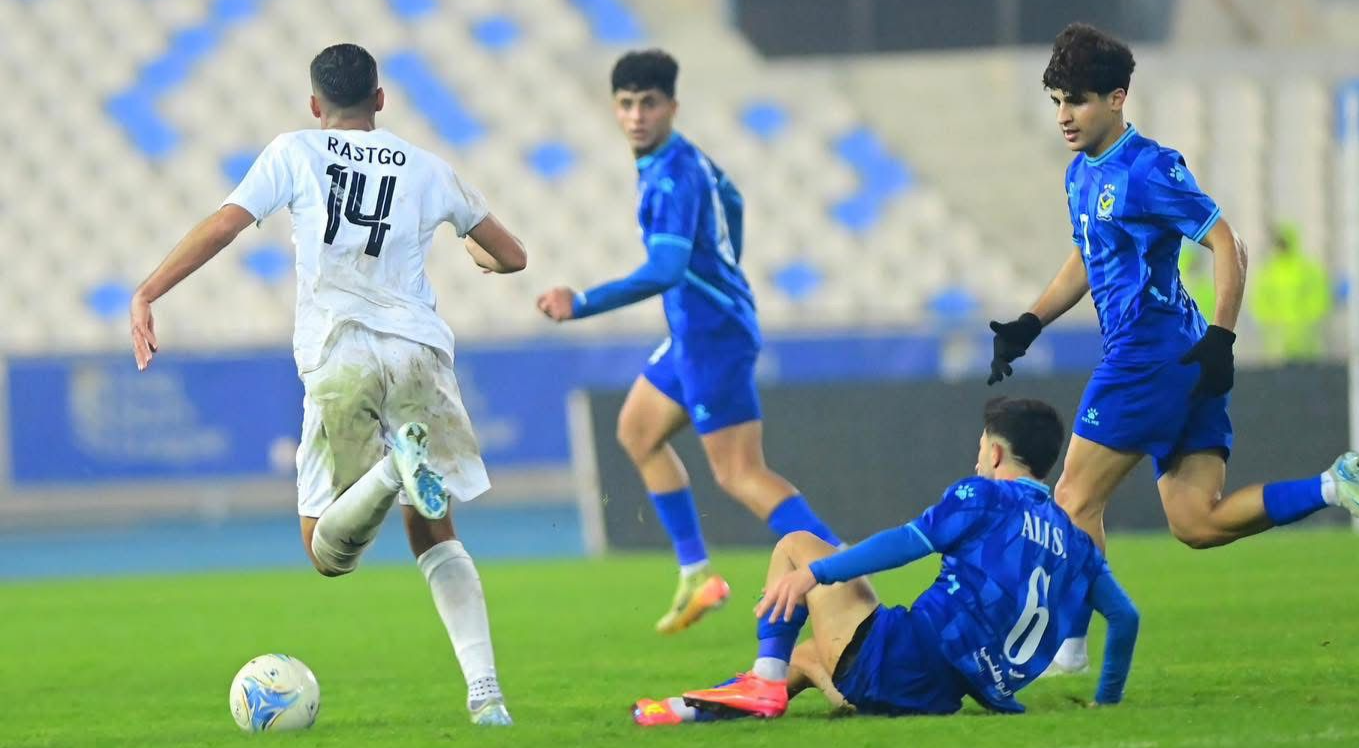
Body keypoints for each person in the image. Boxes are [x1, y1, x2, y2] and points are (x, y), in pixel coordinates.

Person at [986, 23, 1359, 674]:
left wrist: (1223, 335)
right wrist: (1030, 322)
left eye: (1080, 100)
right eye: (1058, 102)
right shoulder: (1080, 174)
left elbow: (1227, 243)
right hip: (1174, 357)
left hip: (1148, 354)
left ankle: (1068, 648)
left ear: (1119, 98)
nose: (1065, 116)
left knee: (1073, 500)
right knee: (1197, 522)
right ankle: (1334, 485)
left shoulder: (1149, 168)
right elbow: (1087, 255)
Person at [127, 43, 527, 726]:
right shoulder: (427, 167)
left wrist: (148, 290)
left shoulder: (295, 150)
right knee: (435, 531)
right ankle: (487, 697)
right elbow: (513, 255)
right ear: (380, 99)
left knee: (325, 553)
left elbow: (226, 225)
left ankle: (393, 472)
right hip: (418, 352)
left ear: (316, 105)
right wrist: (477, 253)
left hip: (340, 353)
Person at [535, 49, 841, 634]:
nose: (636, 115)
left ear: (671, 106)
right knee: (637, 431)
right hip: (698, 330)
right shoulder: (682, 161)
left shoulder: (673, 176)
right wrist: (726, 269)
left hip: (712, 336)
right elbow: (735, 202)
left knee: (739, 473)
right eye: (625, 104)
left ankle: (839, 565)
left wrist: (583, 303)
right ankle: (697, 572)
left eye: (648, 103)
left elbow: (667, 268)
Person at [631, 397, 1139, 725]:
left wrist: (816, 572)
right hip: (941, 693)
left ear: (999, 456)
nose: (977, 460)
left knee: (798, 544)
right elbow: (1124, 618)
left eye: (982, 450)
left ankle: (762, 682)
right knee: (806, 658)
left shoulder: (985, 496)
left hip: (901, 661)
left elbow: (906, 541)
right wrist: (1107, 700)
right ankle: (683, 710)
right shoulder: (1074, 542)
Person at [1251, 222, 1332, 362]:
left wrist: (1307, 321)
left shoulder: (1306, 268)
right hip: (1277, 341)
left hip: (1305, 340)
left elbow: (1320, 296)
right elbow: (1260, 300)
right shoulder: (1268, 271)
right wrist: (1270, 322)